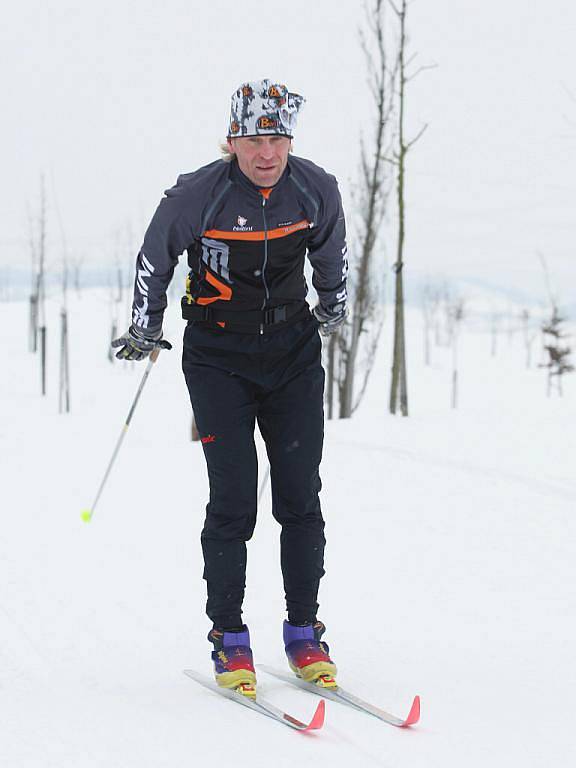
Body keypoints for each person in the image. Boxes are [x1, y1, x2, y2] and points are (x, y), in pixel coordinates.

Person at [112, 79, 348, 699]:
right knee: (235, 497)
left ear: (290, 139)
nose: (266, 152)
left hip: (293, 354)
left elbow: (331, 250)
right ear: (233, 139)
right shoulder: (199, 193)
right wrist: (144, 325)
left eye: (277, 137)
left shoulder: (314, 187)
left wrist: (332, 302)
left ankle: (304, 634)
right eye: (253, 138)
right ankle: (229, 637)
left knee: (300, 496)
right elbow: (153, 257)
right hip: (219, 358)